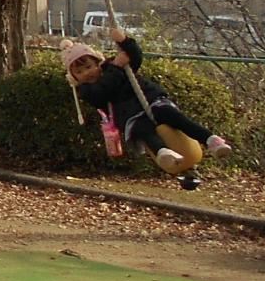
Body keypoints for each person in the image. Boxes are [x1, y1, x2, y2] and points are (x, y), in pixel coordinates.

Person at [61, 31, 233, 189]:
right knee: (143, 131)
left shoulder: (114, 66)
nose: (87, 73)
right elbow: (104, 91)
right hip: (130, 115)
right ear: (74, 77)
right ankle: (163, 153)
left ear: (98, 62)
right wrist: (117, 68)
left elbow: (135, 57)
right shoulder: (87, 90)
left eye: (89, 66)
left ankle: (211, 140)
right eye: (80, 71)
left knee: (177, 118)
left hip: (151, 101)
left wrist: (124, 41)